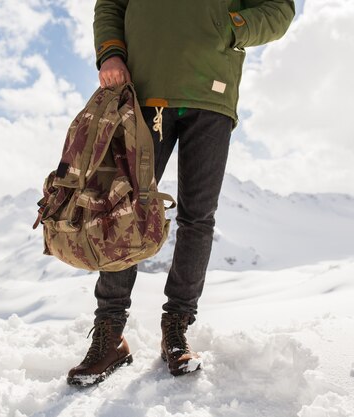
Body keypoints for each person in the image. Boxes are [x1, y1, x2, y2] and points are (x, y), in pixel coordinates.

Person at [67, 0, 295, 386]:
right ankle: (110, 335)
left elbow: (280, 10)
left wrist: (231, 25)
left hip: (212, 93)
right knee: (121, 211)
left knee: (198, 217)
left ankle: (176, 328)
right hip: (143, 91)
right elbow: (110, 4)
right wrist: (110, 53)